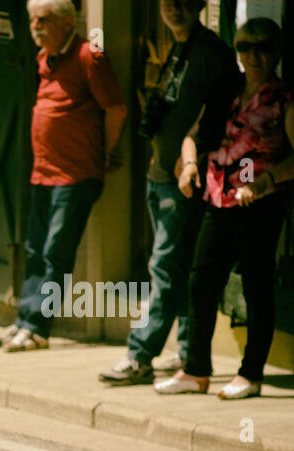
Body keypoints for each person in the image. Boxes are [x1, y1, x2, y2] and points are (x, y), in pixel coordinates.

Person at [156, 18, 294, 400]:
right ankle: (196, 369)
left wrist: (265, 182)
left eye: (263, 47)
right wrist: (189, 166)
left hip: (259, 204)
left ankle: (251, 374)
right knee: (201, 283)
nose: (253, 55)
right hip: (219, 199)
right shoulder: (226, 92)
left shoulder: (283, 100)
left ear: (276, 52)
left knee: (256, 287)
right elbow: (193, 136)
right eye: (246, 47)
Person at [99, 0, 237, 385]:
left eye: (182, 1)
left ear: (198, 4)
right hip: (159, 173)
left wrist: (195, 158)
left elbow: (224, 116)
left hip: (185, 179)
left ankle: (140, 354)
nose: (173, 8)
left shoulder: (212, 53)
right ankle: (187, 351)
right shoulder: (177, 45)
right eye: (166, 2)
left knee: (165, 268)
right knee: (177, 269)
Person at [0, 0, 127, 352]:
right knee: (36, 249)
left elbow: (116, 108)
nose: (35, 26)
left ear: (68, 22)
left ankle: (38, 327)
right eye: (32, 19)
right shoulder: (44, 57)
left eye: (44, 19)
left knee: (56, 251)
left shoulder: (88, 55)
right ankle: (24, 319)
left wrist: (107, 153)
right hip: (43, 173)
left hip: (76, 174)